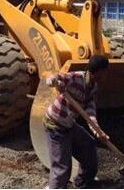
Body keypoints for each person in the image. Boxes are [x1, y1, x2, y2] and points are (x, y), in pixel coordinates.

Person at [44, 55, 110, 188]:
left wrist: (97, 131)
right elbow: (54, 78)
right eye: (105, 71)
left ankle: (81, 183)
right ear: (98, 71)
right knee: (62, 168)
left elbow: (90, 111)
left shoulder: (93, 87)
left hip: (69, 125)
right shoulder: (76, 78)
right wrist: (53, 81)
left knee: (89, 147)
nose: (106, 75)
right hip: (55, 125)